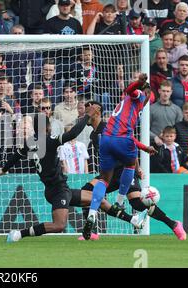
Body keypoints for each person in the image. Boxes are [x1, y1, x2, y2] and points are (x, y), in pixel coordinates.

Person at [0, 102, 100, 243]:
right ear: (48, 126)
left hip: (58, 188)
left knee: (97, 199)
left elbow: (17, 155)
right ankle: (19, 234)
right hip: (58, 189)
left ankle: (128, 220)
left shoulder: (30, 142)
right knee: (59, 225)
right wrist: (87, 115)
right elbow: (73, 133)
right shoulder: (49, 141)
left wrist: (4, 169)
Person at [81, 74, 151, 240]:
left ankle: (92, 213)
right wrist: (139, 83)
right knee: (129, 165)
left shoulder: (123, 111)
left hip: (109, 148)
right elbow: (130, 90)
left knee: (102, 182)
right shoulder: (137, 97)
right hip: (121, 152)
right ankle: (119, 202)